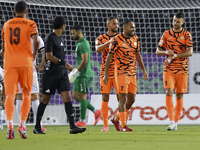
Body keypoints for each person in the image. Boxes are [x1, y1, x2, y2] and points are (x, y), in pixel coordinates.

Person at [33, 16, 86, 134]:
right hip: (50, 74)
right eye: (65, 25)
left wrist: (63, 66)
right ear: (63, 26)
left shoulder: (61, 38)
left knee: (67, 97)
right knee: (45, 99)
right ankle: (37, 126)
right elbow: (48, 56)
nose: (65, 27)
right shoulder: (50, 38)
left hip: (61, 73)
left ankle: (72, 127)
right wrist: (65, 63)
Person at [1, 1, 39, 139]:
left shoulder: (6, 24)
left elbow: (3, 46)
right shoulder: (31, 23)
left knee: (10, 96)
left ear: (13, 10)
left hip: (10, 64)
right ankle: (22, 125)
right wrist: (33, 55)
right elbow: (35, 39)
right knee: (27, 94)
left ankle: (10, 126)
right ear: (26, 11)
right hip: (25, 63)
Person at [104, 20, 148, 131]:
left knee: (132, 99)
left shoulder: (135, 39)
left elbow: (137, 54)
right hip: (121, 72)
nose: (134, 29)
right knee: (122, 99)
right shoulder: (116, 40)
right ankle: (123, 125)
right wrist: (106, 74)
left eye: (134, 27)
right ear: (125, 28)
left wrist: (143, 69)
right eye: (131, 27)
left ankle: (116, 118)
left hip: (133, 73)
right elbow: (109, 57)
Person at [156, 12, 193, 131]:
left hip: (182, 68)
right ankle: (171, 121)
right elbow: (158, 51)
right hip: (169, 68)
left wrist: (175, 55)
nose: (175, 23)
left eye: (178, 21)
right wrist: (166, 53)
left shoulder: (187, 34)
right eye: (174, 21)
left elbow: (190, 52)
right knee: (168, 92)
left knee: (179, 94)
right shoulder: (166, 34)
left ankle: (175, 123)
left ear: (183, 22)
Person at [70, 25, 101, 127]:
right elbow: (79, 60)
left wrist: (76, 71)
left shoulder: (83, 44)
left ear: (79, 33)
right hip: (79, 73)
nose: (72, 35)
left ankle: (83, 121)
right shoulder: (79, 43)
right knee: (75, 96)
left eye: (73, 33)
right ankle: (96, 111)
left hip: (83, 74)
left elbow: (85, 61)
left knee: (82, 96)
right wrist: (74, 69)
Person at [15, 35, 47, 132]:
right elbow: (45, 53)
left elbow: (4, 52)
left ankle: (22, 125)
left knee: (20, 96)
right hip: (29, 70)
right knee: (34, 97)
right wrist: (41, 67)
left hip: (17, 69)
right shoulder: (36, 38)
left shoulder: (15, 37)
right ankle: (39, 125)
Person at [95, 16, 119, 132]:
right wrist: (109, 42)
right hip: (106, 72)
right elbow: (97, 49)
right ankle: (105, 125)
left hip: (119, 72)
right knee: (105, 97)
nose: (116, 26)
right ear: (108, 25)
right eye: (114, 24)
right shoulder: (101, 38)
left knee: (122, 98)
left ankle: (119, 120)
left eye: (117, 24)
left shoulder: (121, 38)